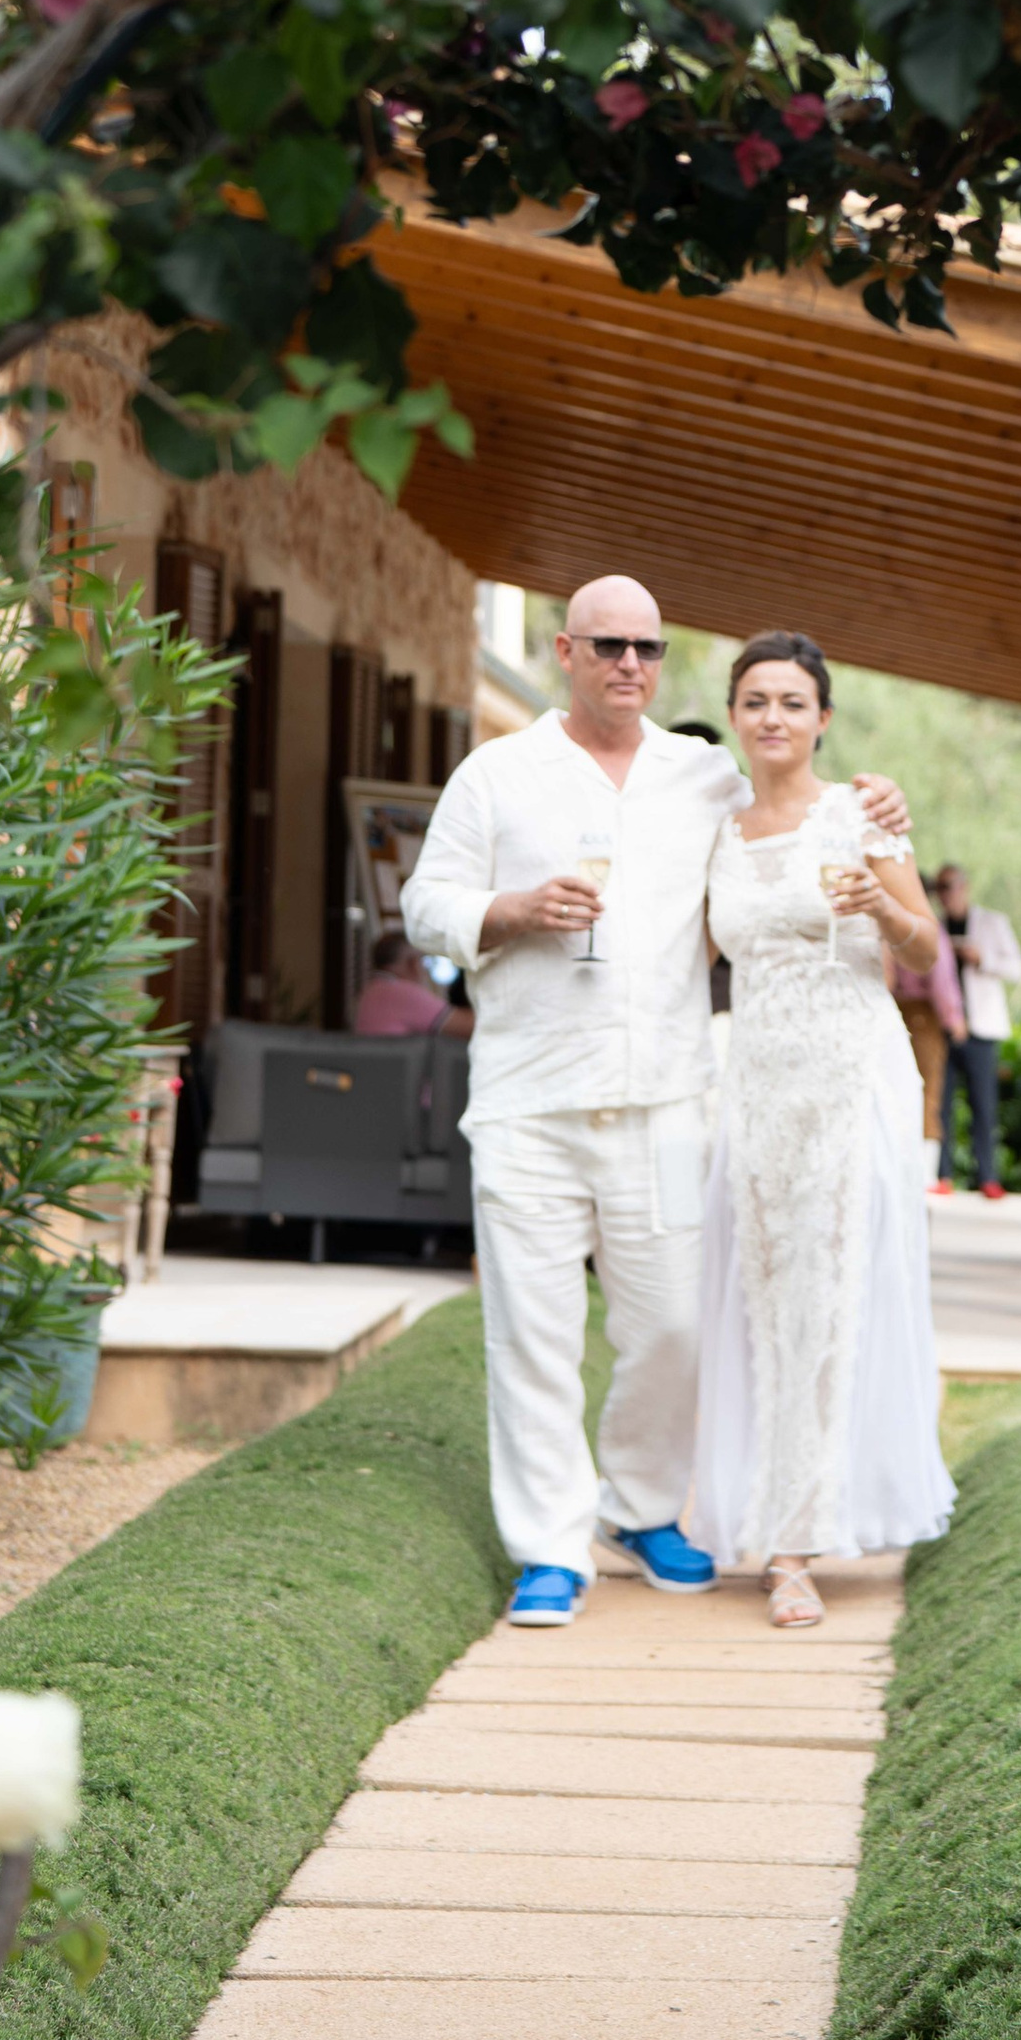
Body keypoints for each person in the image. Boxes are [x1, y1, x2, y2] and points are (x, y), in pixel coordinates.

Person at [400, 574, 909, 1630]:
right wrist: (512, 909)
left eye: (647, 647)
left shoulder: (703, 775)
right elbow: (424, 903)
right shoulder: (498, 774)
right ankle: (550, 1545)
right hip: (527, 1103)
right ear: (564, 652)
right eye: (608, 645)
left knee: (675, 1323)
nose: (629, 663)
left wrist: (882, 807)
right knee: (532, 1333)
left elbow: (794, 805)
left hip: (676, 1103)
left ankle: (637, 1508)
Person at [693, 631, 955, 1627]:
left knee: (832, 1294)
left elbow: (927, 948)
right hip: (757, 1077)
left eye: (792, 703)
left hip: (852, 1071)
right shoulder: (716, 827)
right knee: (760, 1299)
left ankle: (799, 1545)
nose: (773, 719)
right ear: (734, 715)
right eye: (755, 701)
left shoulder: (859, 813)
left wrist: (878, 912)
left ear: (823, 718)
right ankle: (764, 1509)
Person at [933, 864, 1021, 1197]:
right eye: (939, 888)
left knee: (983, 1107)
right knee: (940, 1106)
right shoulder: (934, 928)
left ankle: (988, 1176)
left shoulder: (992, 923)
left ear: (965, 886)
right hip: (943, 1029)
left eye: (951, 885)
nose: (946, 893)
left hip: (981, 1028)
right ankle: (942, 1175)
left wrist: (981, 958)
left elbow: (1017, 968)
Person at [888, 878, 967, 1187]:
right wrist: (953, 1019)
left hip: (893, 1008)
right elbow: (941, 978)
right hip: (921, 1014)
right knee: (928, 1090)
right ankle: (926, 1175)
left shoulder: (885, 926)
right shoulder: (925, 929)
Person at [352, 925, 472, 1040]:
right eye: (422, 960)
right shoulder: (399, 993)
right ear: (413, 963)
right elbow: (469, 1027)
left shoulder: (372, 989)